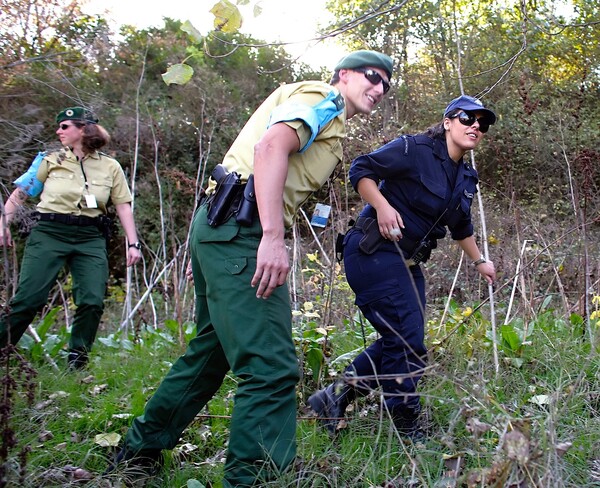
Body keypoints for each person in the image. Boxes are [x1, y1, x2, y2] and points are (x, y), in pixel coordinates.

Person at [108, 50, 394, 486]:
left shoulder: (329, 122)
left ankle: (136, 454)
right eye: (372, 77)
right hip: (242, 231)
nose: (378, 88)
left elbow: (243, 164)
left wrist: (208, 247)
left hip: (223, 229)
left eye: (386, 85)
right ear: (343, 75)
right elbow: (269, 147)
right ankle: (257, 477)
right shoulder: (325, 98)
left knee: (210, 353)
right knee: (270, 366)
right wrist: (272, 237)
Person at [308, 95, 497, 439]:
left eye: (482, 124)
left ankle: (332, 398)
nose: (475, 127)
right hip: (372, 252)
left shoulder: (466, 176)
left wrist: (480, 260)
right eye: (468, 118)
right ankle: (407, 424)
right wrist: (381, 206)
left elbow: (461, 225)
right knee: (408, 340)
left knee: (401, 337)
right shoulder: (414, 149)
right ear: (448, 121)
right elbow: (361, 169)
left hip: (407, 262)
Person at [0, 107, 142, 369]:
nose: (58, 131)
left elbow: (123, 205)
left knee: (92, 300)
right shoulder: (49, 159)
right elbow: (21, 194)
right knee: (28, 299)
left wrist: (133, 244)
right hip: (50, 233)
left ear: (83, 129)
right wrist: (3, 224)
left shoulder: (110, 167)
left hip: (90, 236)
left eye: (64, 126)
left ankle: (77, 363)